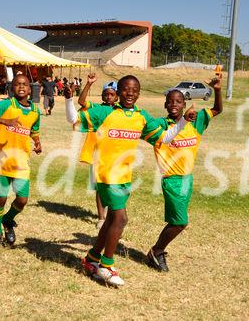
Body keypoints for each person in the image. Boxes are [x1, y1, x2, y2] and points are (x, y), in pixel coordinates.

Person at [64, 75, 194, 287]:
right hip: (106, 174)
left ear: (139, 93)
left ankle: (91, 259)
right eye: (125, 90)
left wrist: (183, 121)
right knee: (121, 219)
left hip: (125, 176)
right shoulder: (105, 112)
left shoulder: (141, 117)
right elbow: (74, 120)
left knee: (112, 221)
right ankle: (106, 266)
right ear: (118, 92)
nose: (130, 94)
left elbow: (165, 138)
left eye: (134, 90)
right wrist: (69, 99)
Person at [146, 76, 223, 273]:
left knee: (176, 221)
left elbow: (217, 110)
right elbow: (146, 131)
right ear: (165, 104)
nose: (174, 104)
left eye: (178, 101)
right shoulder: (161, 125)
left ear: (184, 104)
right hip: (172, 180)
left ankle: (156, 251)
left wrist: (218, 90)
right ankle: (157, 251)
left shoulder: (195, 122)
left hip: (187, 179)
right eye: (170, 101)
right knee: (180, 222)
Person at [0, 74, 42, 247]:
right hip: (2, 161)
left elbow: (33, 130)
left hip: (22, 163)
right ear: (12, 88)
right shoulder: (6, 104)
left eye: (25, 84)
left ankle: (7, 219)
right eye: (17, 84)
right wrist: (3, 121)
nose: (21, 87)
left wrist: (37, 142)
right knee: (1, 198)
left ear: (30, 89)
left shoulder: (36, 111)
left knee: (22, 201)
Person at [76, 73, 118, 229]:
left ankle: (111, 213)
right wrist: (89, 84)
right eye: (106, 94)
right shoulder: (96, 108)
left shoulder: (120, 111)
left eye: (112, 95)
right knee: (100, 186)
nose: (108, 97)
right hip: (99, 154)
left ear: (117, 97)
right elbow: (81, 101)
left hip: (117, 153)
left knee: (114, 185)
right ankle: (101, 218)